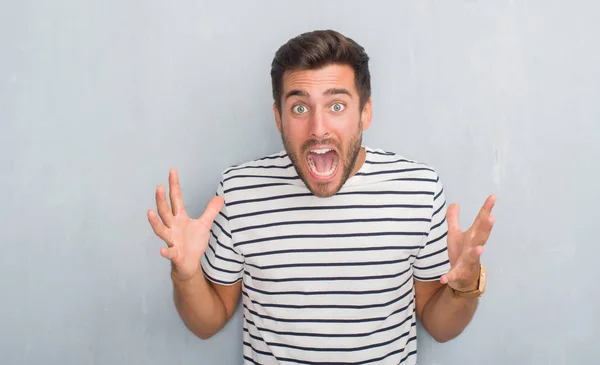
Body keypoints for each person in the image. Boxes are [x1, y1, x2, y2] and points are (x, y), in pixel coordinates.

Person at [148, 29, 496, 365]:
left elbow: (440, 327)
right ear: (278, 118)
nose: (317, 128)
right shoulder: (239, 191)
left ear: (365, 112)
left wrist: (463, 288)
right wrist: (186, 275)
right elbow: (207, 323)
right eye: (299, 108)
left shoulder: (418, 189)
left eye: (337, 106)